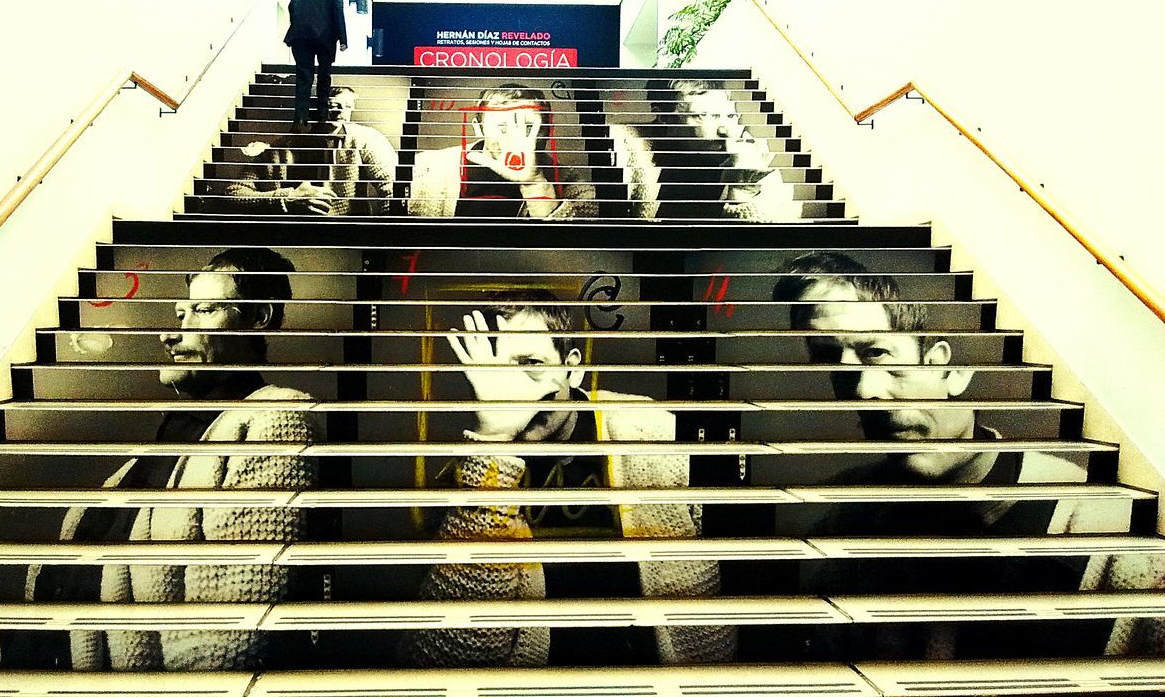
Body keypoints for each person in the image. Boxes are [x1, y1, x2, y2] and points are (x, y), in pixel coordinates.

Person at [771, 251, 1125, 659]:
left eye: (878, 353)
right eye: (835, 365)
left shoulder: (1086, 520)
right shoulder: (843, 525)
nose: (862, 392)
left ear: (948, 369)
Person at [21, 247, 321, 671]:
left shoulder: (273, 417)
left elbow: (227, 637)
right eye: (182, 314)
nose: (171, 334)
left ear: (258, 318)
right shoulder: (150, 455)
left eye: (203, 310)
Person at [399, 290, 735, 667]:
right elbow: (444, 655)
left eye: (530, 363)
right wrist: (495, 442)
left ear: (572, 368)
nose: (513, 390)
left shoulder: (650, 432)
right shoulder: (471, 479)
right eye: (494, 369)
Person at [611, 79, 797, 221]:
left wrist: (742, 193)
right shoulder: (624, 148)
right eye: (704, 116)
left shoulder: (748, 157)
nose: (725, 129)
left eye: (730, 115)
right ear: (665, 117)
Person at [410, 85, 597, 220]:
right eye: (503, 127)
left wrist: (534, 185)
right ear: (479, 129)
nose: (517, 139)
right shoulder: (427, 169)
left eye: (529, 127)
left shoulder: (574, 186)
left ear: (547, 131)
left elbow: (570, 252)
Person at [228, 87, 396, 216]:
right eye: (333, 106)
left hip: (347, 234)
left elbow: (393, 187)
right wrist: (287, 197)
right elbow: (234, 193)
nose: (341, 111)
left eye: (347, 106)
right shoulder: (280, 149)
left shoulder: (366, 139)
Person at [284, 0, 348, 130]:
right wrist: (343, 39)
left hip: (300, 37)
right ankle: (322, 113)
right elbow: (338, 12)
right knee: (324, 75)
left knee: (304, 77)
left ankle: (300, 118)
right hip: (324, 36)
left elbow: (292, 10)